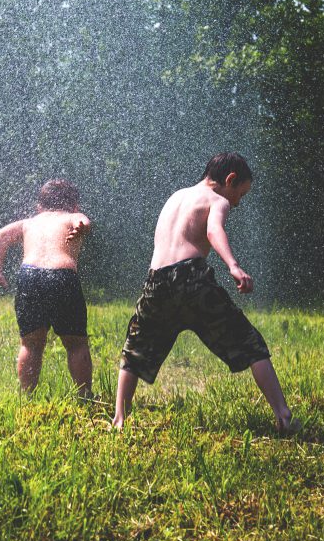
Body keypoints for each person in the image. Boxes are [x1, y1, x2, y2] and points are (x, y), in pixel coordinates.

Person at [112, 152, 299, 433]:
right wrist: (233, 266)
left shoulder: (176, 197)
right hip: (191, 279)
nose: (237, 202)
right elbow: (214, 231)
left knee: (134, 351)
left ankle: (119, 421)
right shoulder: (217, 200)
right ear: (230, 180)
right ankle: (284, 417)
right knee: (251, 345)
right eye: (241, 194)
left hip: (156, 283)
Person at [0, 179, 93, 397]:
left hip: (29, 277)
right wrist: (82, 227)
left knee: (31, 344)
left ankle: (27, 395)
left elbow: (1, 235)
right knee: (76, 343)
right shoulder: (72, 217)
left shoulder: (30, 222)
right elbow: (84, 221)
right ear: (75, 205)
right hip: (62, 276)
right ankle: (85, 395)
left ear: (39, 206)